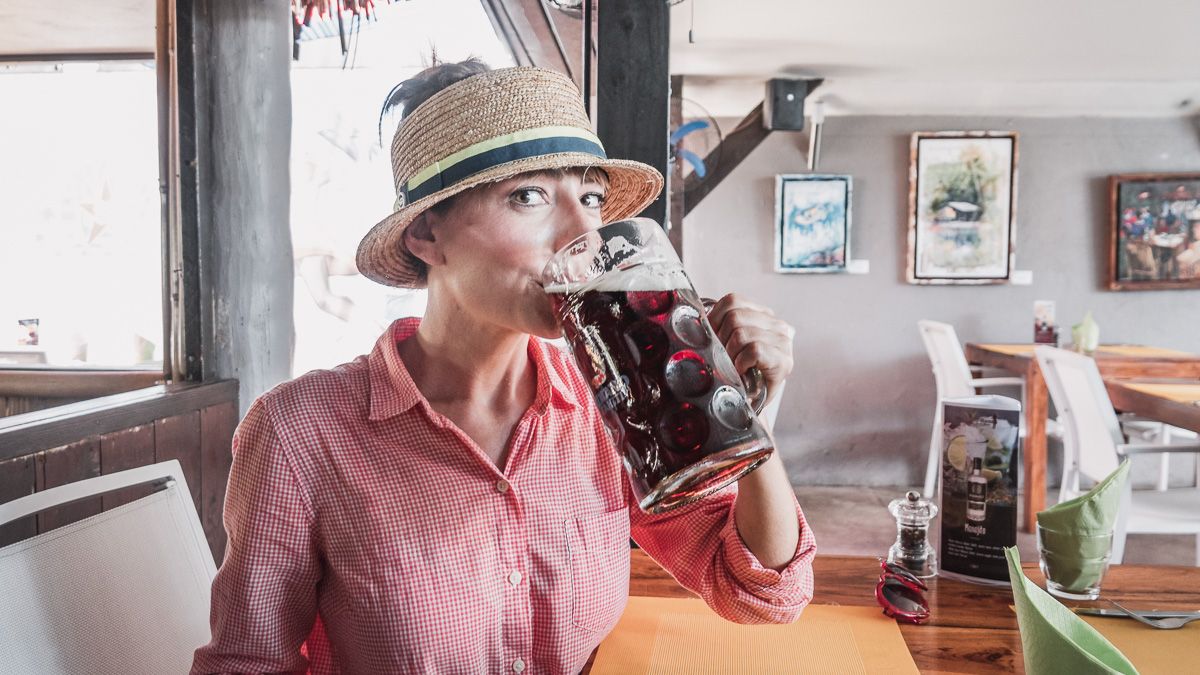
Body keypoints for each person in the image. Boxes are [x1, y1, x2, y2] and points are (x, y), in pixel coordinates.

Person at [191, 60, 815, 674]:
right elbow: (246, 664)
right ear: (427, 236)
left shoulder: (613, 403)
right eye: (530, 196)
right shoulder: (299, 434)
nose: (584, 234)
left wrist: (743, 416)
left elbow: (758, 592)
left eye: (591, 197)